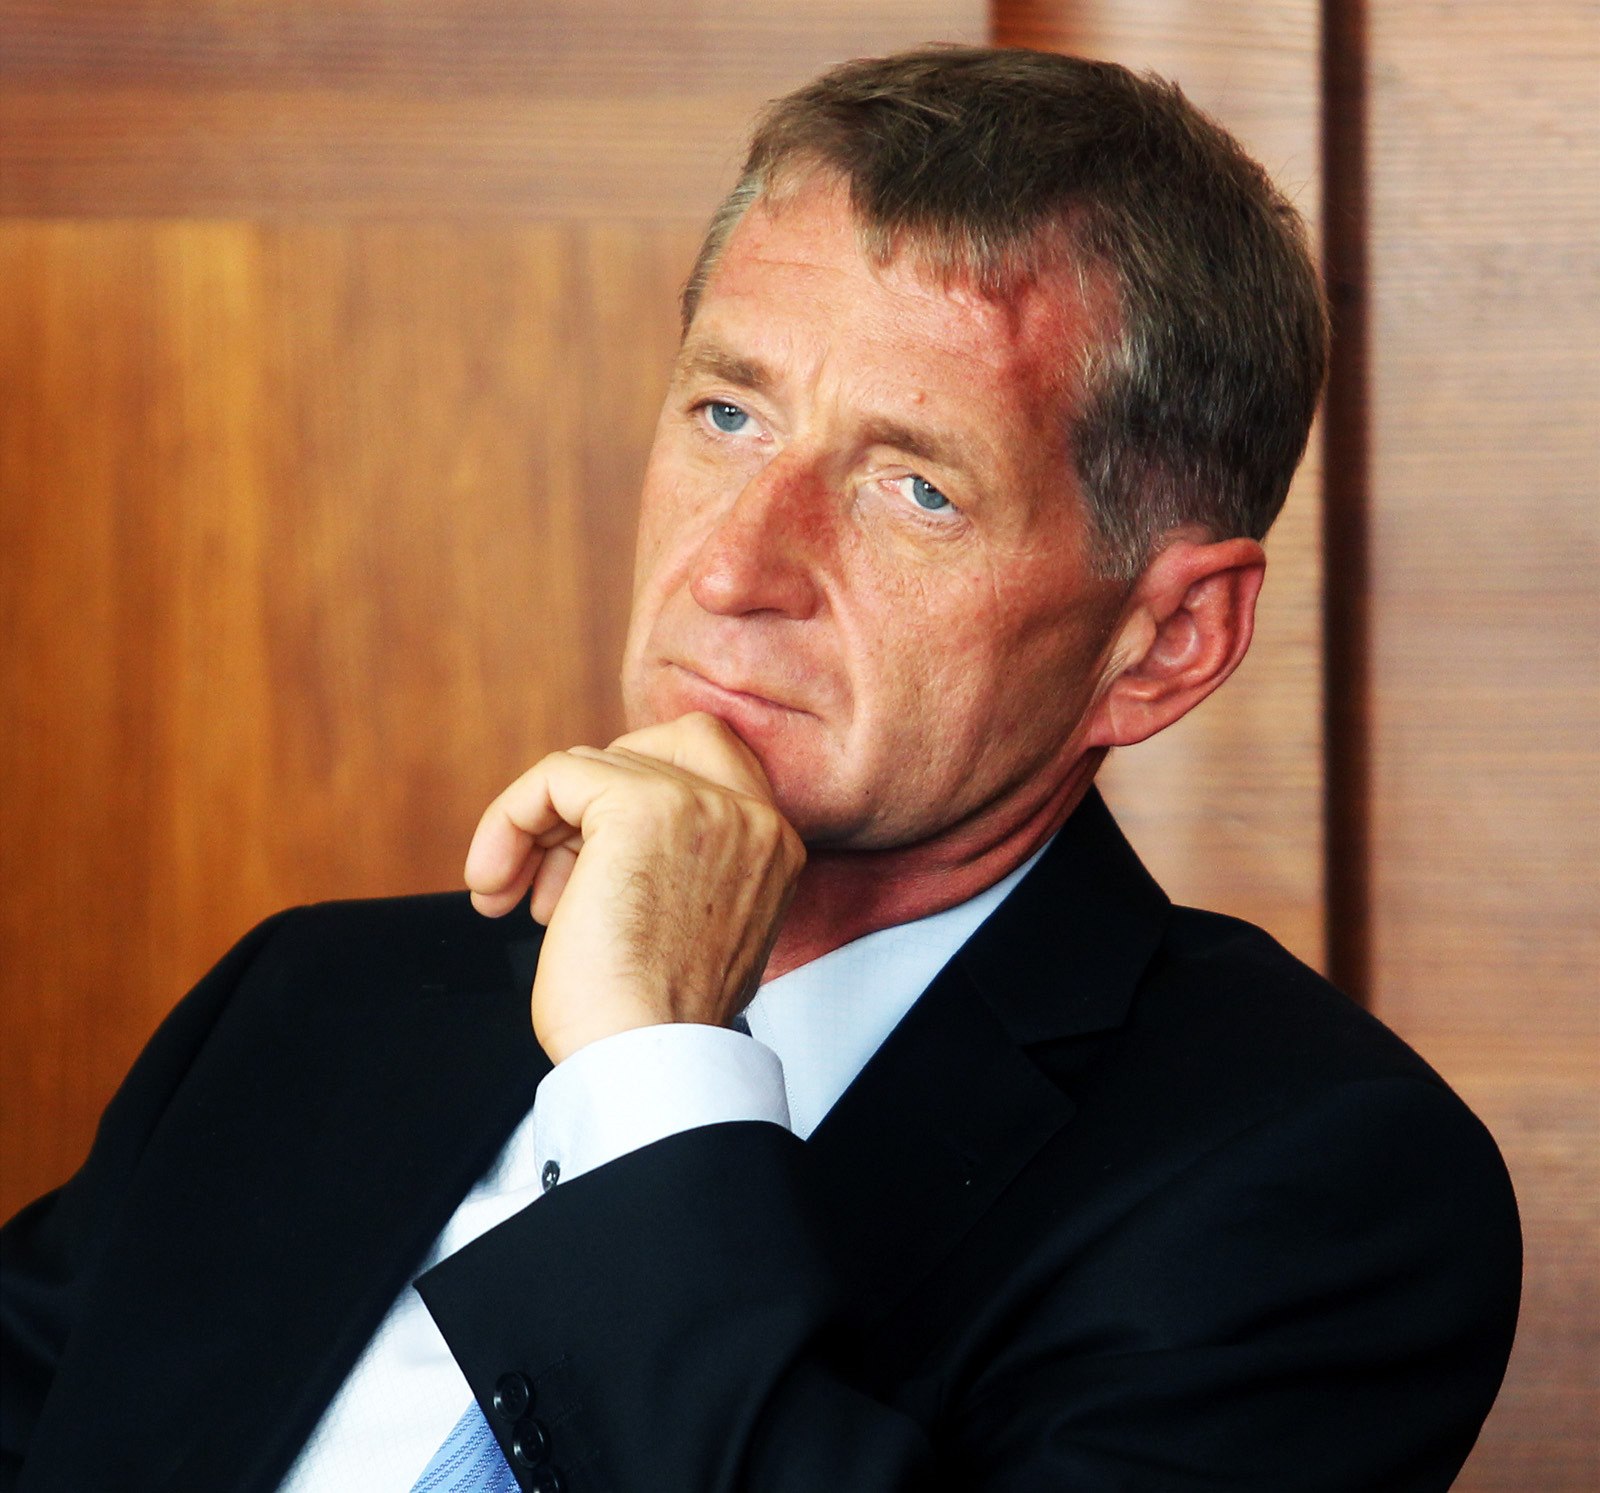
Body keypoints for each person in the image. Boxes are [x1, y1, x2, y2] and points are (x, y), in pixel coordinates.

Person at [0, 46, 1519, 1493]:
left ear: (1166, 640)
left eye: (914, 488)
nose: (732, 569)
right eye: (728, 415)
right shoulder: (312, 1006)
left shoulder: (1314, 1186)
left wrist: (646, 1074)